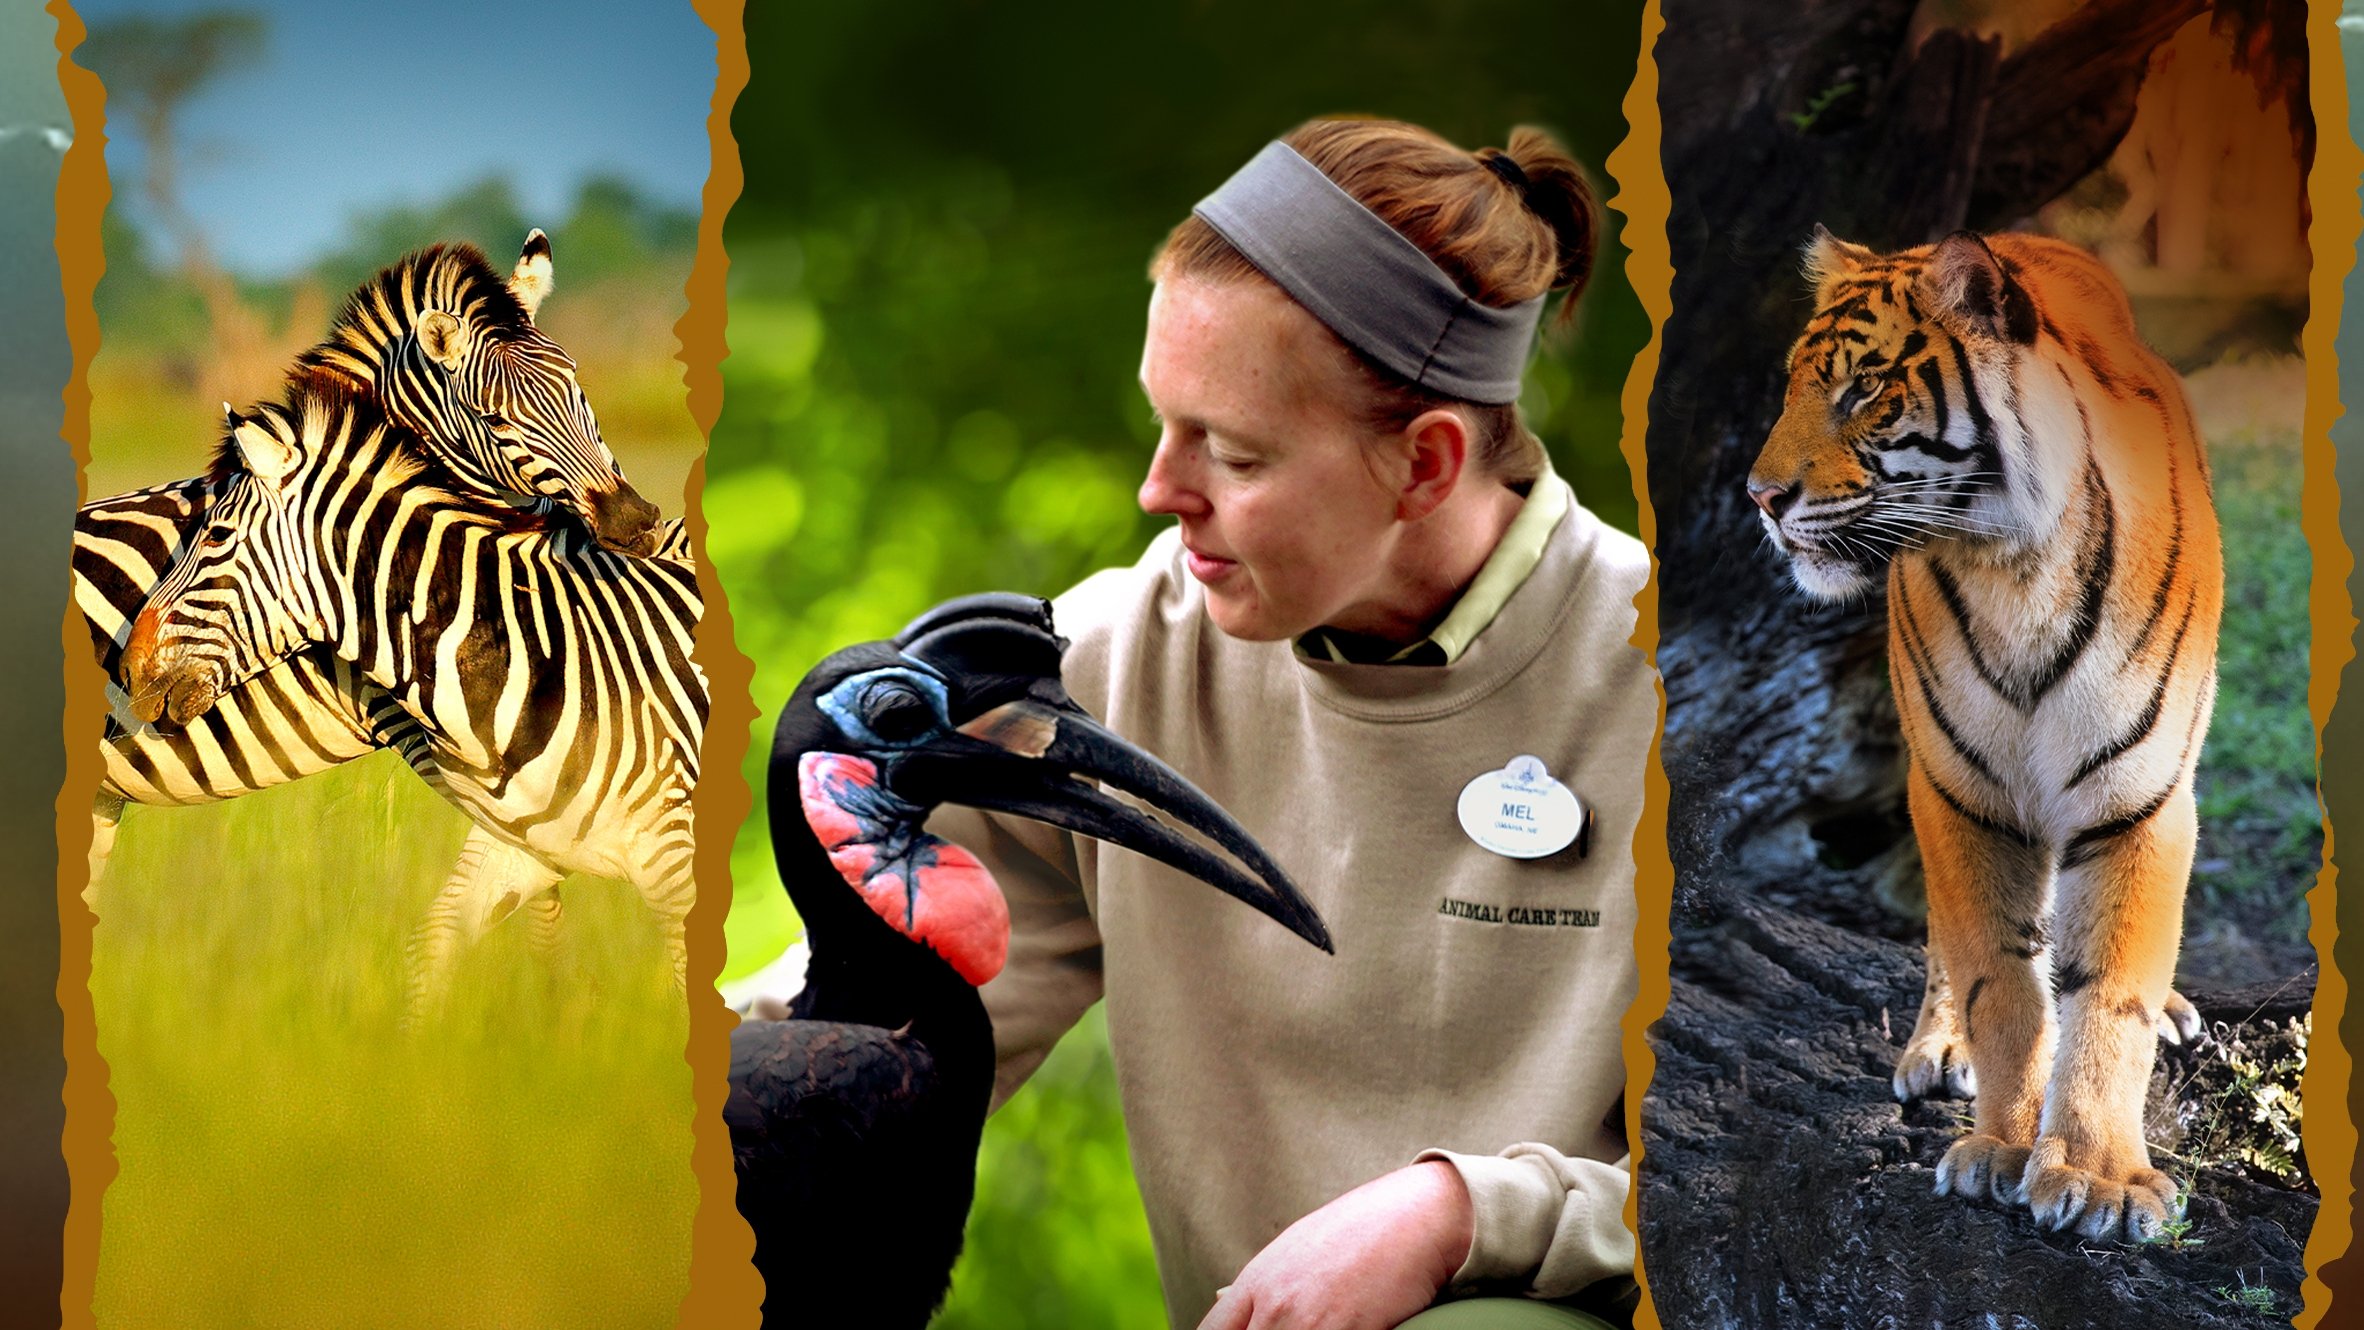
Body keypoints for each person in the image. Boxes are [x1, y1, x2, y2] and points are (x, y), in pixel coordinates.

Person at [934, 117, 1654, 1330]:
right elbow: (893, 1016)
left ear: (1425, 466)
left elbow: (1830, 1172)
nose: (1159, 491)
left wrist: (1460, 1216)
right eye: (1164, 421)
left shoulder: (1707, 696)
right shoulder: (1111, 666)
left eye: (1233, 452)